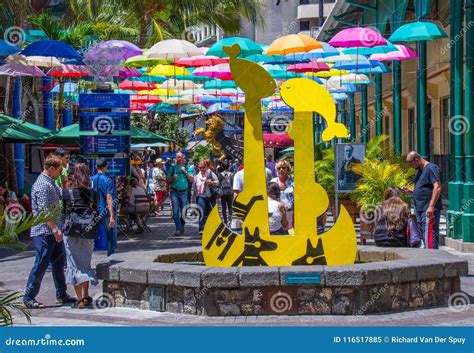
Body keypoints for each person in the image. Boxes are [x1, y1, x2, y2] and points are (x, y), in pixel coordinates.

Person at [23, 155, 76, 309]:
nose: (61, 173)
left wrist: (65, 181)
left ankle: (62, 294)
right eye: (59, 170)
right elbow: (44, 211)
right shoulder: (42, 185)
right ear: (51, 168)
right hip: (45, 231)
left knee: (59, 264)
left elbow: (64, 195)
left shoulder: (51, 182)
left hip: (55, 230)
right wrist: (54, 229)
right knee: (40, 264)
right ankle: (28, 297)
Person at [62, 163, 98, 309]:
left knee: (74, 265)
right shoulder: (92, 193)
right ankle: (86, 296)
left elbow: (64, 212)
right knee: (85, 265)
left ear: (74, 175)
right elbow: (95, 210)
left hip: (71, 233)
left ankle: (79, 299)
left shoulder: (67, 193)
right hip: (88, 233)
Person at [403, 151, 442, 249]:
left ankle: (432, 260)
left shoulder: (431, 168)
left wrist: (431, 206)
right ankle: (427, 260)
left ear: (417, 159)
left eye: (410, 163)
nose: (410, 166)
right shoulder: (419, 171)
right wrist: (411, 191)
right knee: (424, 236)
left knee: (429, 236)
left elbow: (437, 187)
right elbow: (424, 189)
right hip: (420, 210)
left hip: (428, 210)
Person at [91, 158, 117, 256]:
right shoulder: (108, 180)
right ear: (106, 167)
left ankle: (90, 249)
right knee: (109, 231)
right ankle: (110, 251)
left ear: (95, 167)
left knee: (92, 231)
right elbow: (109, 198)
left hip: (93, 210)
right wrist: (111, 215)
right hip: (104, 210)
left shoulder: (91, 179)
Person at [167, 152, 194, 236]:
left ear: (183, 158)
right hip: (174, 192)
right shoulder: (172, 168)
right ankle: (178, 228)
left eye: (180, 157)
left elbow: (191, 179)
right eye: (177, 157)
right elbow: (167, 180)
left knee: (184, 210)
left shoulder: (187, 168)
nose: (179, 159)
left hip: (184, 192)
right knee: (175, 211)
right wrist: (172, 178)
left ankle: (182, 226)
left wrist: (185, 172)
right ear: (176, 158)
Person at [194, 161, 219, 236]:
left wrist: (211, 182)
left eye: (203, 168)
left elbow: (218, 182)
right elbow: (195, 188)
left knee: (210, 213)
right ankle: (201, 228)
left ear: (206, 167)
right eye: (200, 168)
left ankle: (210, 227)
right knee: (202, 212)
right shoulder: (197, 176)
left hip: (210, 196)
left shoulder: (210, 173)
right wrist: (193, 198)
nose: (202, 169)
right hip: (200, 196)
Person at [270, 159, 294, 230]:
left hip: (290, 212)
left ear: (288, 169)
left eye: (283, 168)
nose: (281, 170)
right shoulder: (273, 181)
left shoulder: (293, 180)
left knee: (290, 233)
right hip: (276, 212)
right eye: (278, 168)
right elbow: (269, 196)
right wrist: (277, 188)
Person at [218, 160, 234, 225]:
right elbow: (233, 183)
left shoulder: (220, 175)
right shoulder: (231, 174)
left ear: (222, 166)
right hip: (230, 192)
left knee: (224, 206)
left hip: (223, 192)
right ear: (229, 166)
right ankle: (230, 219)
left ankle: (225, 221)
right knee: (230, 206)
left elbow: (218, 184)